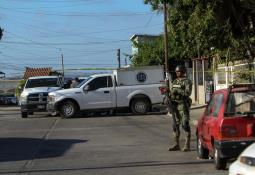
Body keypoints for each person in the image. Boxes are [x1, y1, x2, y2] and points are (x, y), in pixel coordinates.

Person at [168, 65, 192, 152]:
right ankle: (176, 144)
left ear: (183, 72)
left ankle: (187, 145)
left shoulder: (187, 81)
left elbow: (187, 93)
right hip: (175, 105)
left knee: (185, 124)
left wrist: (178, 91)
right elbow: (171, 92)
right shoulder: (174, 81)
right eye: (177, 71)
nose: (178, 73)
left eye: (179, 71)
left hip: (183, 105)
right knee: (175, 125)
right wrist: (169, 95)